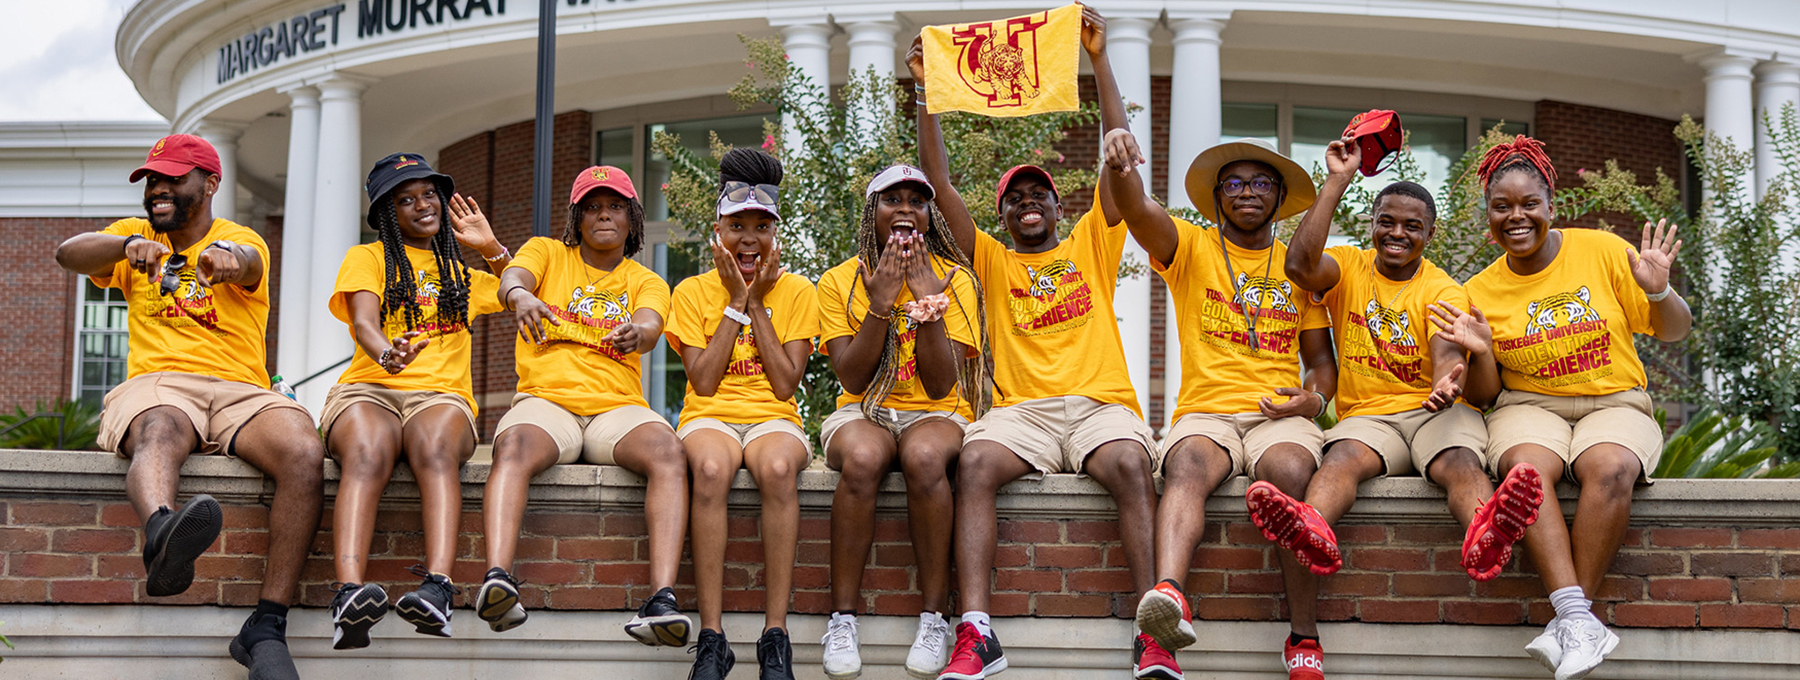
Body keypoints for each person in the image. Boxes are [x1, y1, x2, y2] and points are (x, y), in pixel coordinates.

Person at [912, 9, 1164, 678]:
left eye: (1040, 194)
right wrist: (925, 95)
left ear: (1058, 208)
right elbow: (937, 189)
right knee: (973, 465)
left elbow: (1120, 153)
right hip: (1021, 414)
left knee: (1134, 468)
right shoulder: (990, 260)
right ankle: (977, 631)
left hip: (1097, 404)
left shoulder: (1091, 242)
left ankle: (1153, 630)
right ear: (1002, 215)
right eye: (1016, 196)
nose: (1029, 201)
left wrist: (1099, 60)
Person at [1241, 136, 1550, 676]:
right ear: (1373, 224)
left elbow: (1447, 349)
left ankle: (1486, 532)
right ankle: (1312, 526)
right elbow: (1298, 264)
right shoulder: (1349, 268)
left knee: (1460, 462)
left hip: (1433, 409)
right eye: (1388, 221)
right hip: (1370, 418)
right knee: (1340, 460)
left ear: (1429, 235)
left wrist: (1444, 385)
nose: (1398, 233)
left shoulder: (1444, 288)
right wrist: (1336, 180)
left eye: (1412, 226)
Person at [53, 134, 323, 680]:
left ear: (210, 183)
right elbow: (67, 253)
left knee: (303, 451)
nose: (159, 190)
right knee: (158, 430)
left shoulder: (239, 237)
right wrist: (123, 248)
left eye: (174, 178)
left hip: (239, 387)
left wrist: (224, 264)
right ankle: (163, 532)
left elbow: (247, 262)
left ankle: (266, 627)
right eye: (153, 179)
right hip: (161, 382)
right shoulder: (132, 237)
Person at [1433, 135, 1689, 680]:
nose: (1517, 216)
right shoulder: (1479, 289)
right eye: (1502, 207)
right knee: (1526, 474)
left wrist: (1662, 291)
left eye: (1529, 204)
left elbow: (1674, 331)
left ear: (1552, 207)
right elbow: (1483, 395)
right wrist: (1478, 351)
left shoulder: (1602, 250)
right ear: (1489, 218)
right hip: (1529, 403)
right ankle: (1580, 621)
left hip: (1614, 399)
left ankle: (1572, 620)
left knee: (1611, 467)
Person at [1099, 127, 1337, 679]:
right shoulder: (1191, 247)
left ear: (1279, 198)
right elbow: (1135, 208)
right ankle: (1166, 610)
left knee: (1290, 473)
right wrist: (1119, 166)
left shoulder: (1299, 265)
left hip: (1278, 414)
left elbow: (1323, 365)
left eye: (1260, 183)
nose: (1246, 191)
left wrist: (1313, 399)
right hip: (1206, 411)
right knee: (1184, 464)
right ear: (1216, 197)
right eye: (1233, 182)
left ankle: (1304, 635)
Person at [478, 166, 692, 646]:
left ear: (633, 219)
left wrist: (639, 333)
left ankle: (661, 599)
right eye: (592, 207)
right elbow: (512, 275)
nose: (603, 215)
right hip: (547, 403)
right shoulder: (548, 252)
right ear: (576, 218)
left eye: (615, 206)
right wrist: (518, 295)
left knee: (669, 452)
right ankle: (498, 579)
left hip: (616, 410)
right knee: (510, 447)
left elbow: (652, 322)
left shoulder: (645, 278)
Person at [321, 153, 512, 649]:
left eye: (429, 194)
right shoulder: (366, 257)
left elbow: (520, 292)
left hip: (442, 396)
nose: (422, 205)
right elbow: (364, 321)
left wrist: (491, 249)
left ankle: (438, 588)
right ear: (388, 212)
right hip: (372, 387)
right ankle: (348, 594)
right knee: (366, 451)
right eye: (405, 199)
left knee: (432, 448)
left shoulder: (460, 272)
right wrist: (388, 353)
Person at [816, 164, 986, 680]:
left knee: (925, 456)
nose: (907, 208)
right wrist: (882, 303)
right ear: (873, 213)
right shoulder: (838, 281)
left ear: (931, 217)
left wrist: (928, 303)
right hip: (866, 406)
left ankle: (934, 618)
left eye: (918, 200)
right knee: (864, 459)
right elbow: (851, 375)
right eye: (893, 199)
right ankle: (842, 620)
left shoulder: (957, 281)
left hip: (937, 411)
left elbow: (940, 385)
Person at [670, 148, 817, 680]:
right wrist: (734, 301)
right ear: (717, 231)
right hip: (709, 415)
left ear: (776, 233)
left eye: (761, 226)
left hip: (774, 417)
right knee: (709, 470)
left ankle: (774, 636)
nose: (749, 239)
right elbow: (703, 382)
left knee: (778, 470)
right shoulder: (689, 291)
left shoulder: (798, 289)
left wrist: (757, 302)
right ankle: (712, 638)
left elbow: (784, 383)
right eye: (737, 226)